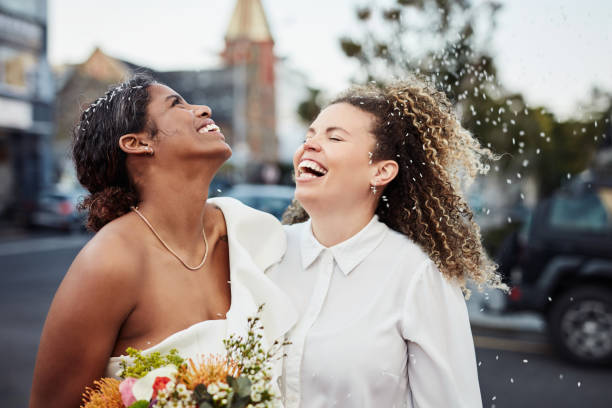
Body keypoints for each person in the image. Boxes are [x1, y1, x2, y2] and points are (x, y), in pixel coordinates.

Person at [29, 75, 296, 408]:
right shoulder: (109, 262)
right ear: (137, 142)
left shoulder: (251, 232)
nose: (203, 109)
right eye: (176, 104)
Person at [268, 78, 506, 408]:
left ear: (381, 172)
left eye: (334, 137)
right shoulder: (266, 252)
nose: (310, 145)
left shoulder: (418, 276)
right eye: (309, 136)